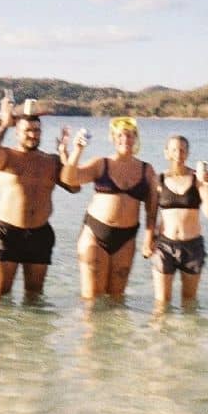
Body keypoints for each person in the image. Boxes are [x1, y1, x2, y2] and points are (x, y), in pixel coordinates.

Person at [0, 94, 78, 299]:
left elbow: (74, 186)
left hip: (40, 235)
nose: (33, 135)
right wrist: (4, 125)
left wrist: (64, 154)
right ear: (17, 133)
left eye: (37, 131)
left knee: (34, 296)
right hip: (7, 233)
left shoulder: (50, 161)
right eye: (28, 131)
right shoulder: (6, 156)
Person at [61, 115, 158, 301]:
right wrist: (77, 151)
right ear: (113, 139)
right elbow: (68, 178)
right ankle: (88, 330)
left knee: (117, 300)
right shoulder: (101, 164)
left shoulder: (147, 170)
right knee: (92, 299)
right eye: (121, 135)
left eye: (130, 135)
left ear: (136, 139)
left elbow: (152, 207)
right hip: (95, 234)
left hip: (126, 238)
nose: (126, 140)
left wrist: (149, 238)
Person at [151, 135, 208, 309]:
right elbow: (151, 214)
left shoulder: (197, 180)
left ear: (187, 153)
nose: (178, 154)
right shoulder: (159, 179)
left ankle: (188, 336)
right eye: (174, 149)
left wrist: (207, 185)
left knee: (189, 303)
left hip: (192, 246)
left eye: (182, 150)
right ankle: (161, 335)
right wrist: (148, 240)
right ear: (167, 153)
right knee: (161, 304)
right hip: (164, 245)